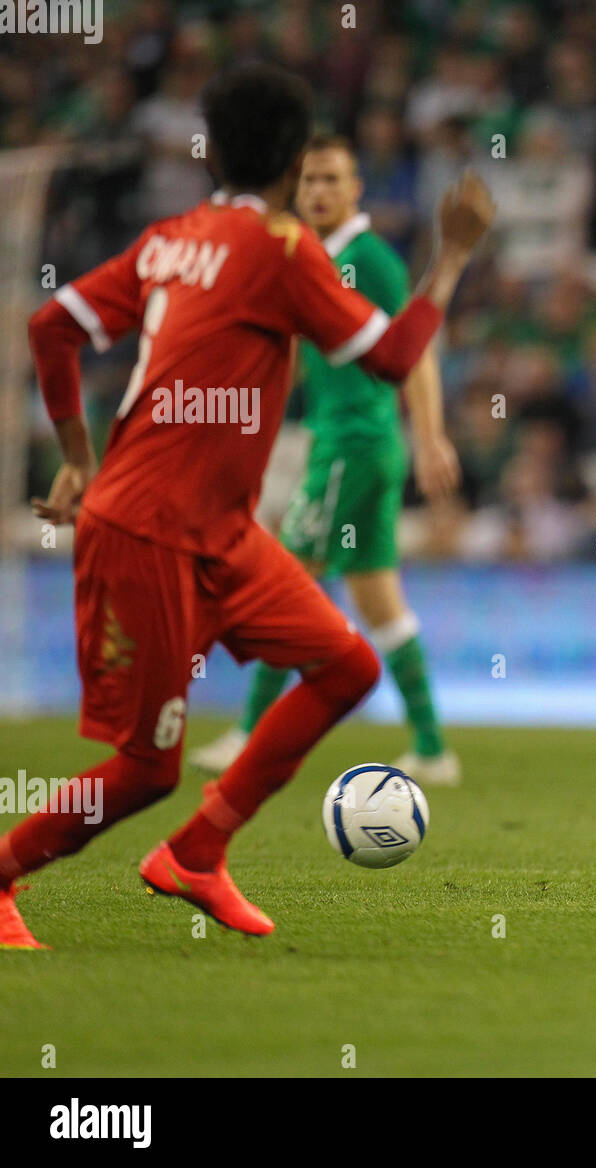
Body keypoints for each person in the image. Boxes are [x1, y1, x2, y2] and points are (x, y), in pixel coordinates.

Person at [1, 64, 494, 948]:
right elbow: (392, 357)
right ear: (293, 160)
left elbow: (52, 328)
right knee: (147, 767)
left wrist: (79, 456)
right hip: (147, 530)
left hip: (217, 527)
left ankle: (197, 853)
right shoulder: (281, 249)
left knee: (346, 665)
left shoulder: (170, 238)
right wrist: (451, 257)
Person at [192, 134, 462, 789]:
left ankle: (251, 735)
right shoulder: (308, 253)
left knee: (283, 578)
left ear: (356, 188)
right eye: (308, 180)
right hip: (349, 443)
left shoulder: (368, 259)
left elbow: (415, 348)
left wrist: (431, 435)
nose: (317, 192)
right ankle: (431, 748)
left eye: (331, 180)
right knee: (378, 600)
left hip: (357, 443)